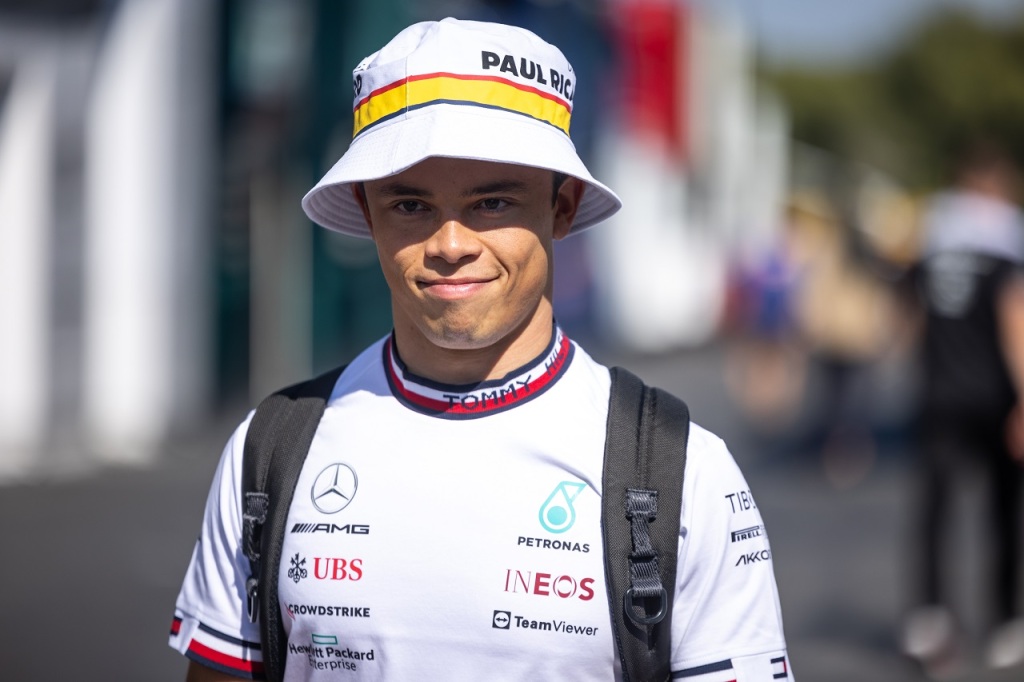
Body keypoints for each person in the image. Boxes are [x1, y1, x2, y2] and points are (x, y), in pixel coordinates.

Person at [168, 18, 790, 681]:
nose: (451, 244)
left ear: (562, 207)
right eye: (411, 206)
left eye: (492, 202)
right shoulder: (269, 449)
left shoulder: (681, 469)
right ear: (367, 212)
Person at [901, 143, 1024, 675]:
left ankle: (930, 619)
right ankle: (1005, 622)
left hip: (939, 394)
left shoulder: (933, 239)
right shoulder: (1006, 241)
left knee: (936, 508)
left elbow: (910, 320)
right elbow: (1015, 323)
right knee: (1002, 512)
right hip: (995, 398)